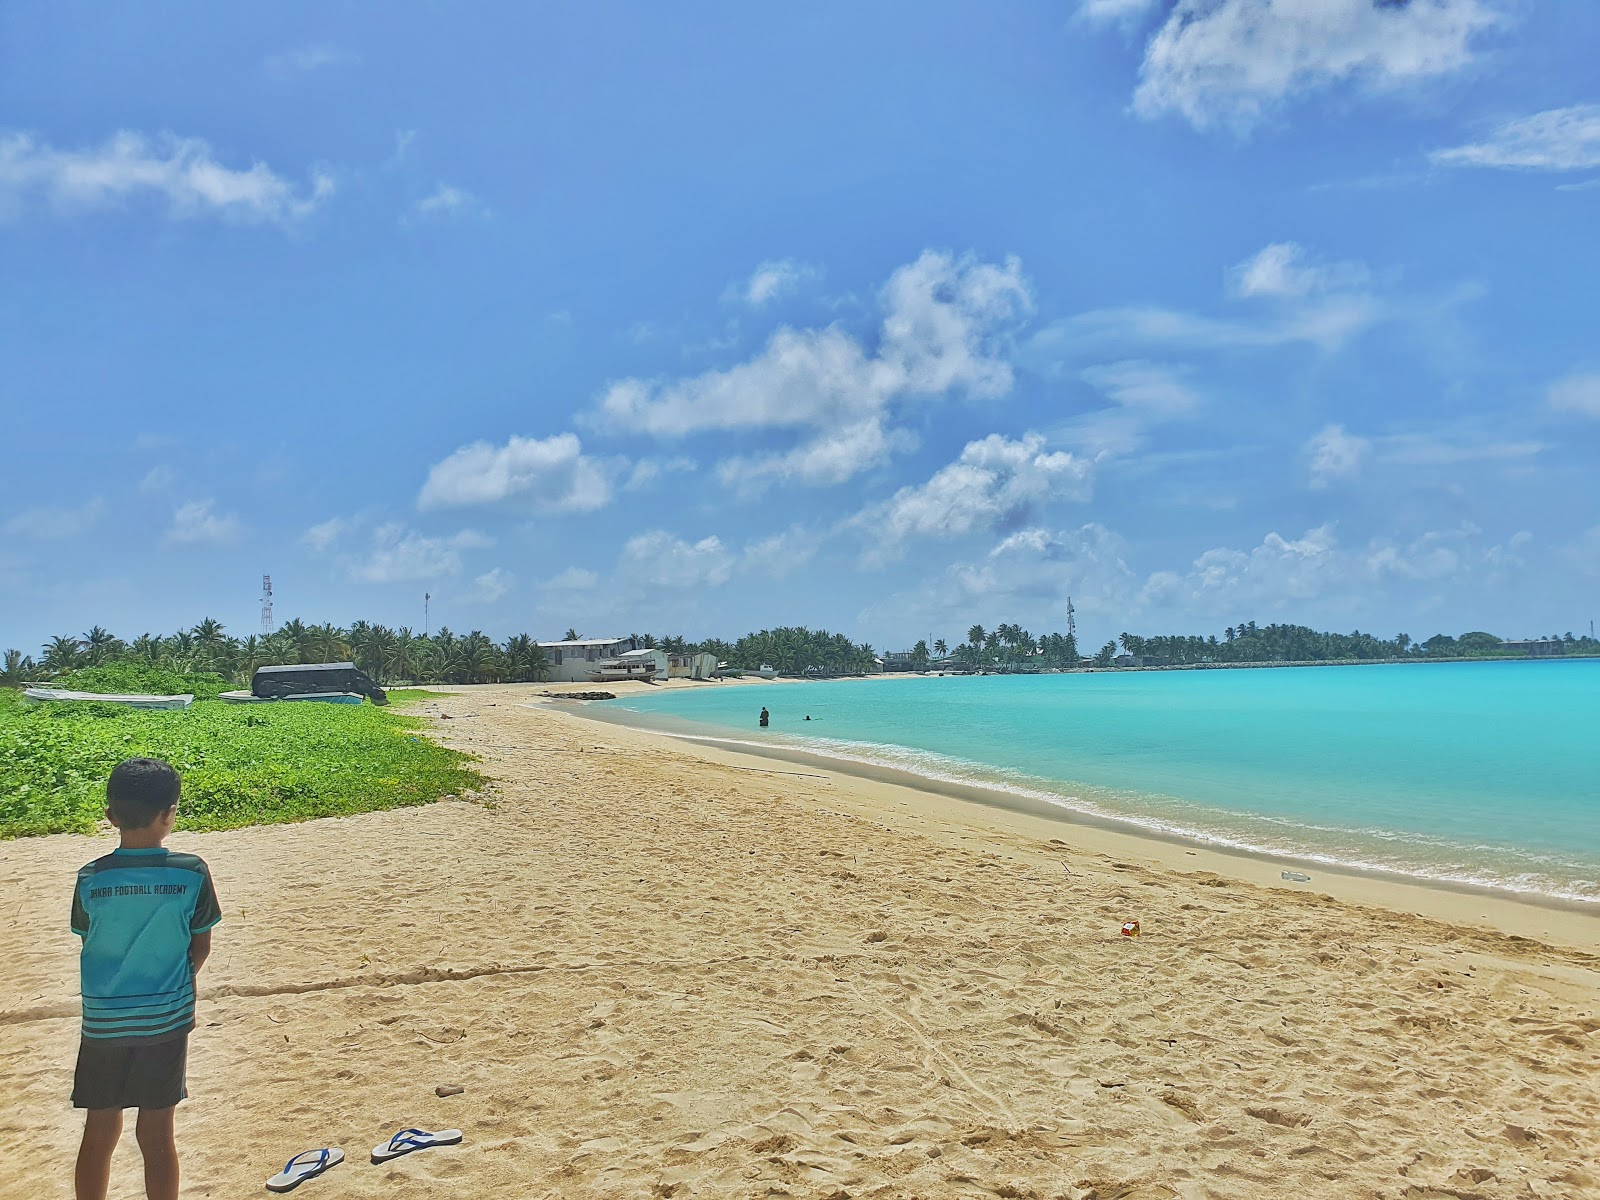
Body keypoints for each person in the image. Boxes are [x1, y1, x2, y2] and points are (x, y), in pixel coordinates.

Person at [70, 758, 222, 1200]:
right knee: (157, 1135)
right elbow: (201, 945)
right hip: (165, 1021)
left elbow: (88, 938)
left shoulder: (90, 879)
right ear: (169, 814)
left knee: (98, 1131)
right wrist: (172, 985)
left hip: (102, 1022)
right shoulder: (190, 872)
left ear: (110, 815)